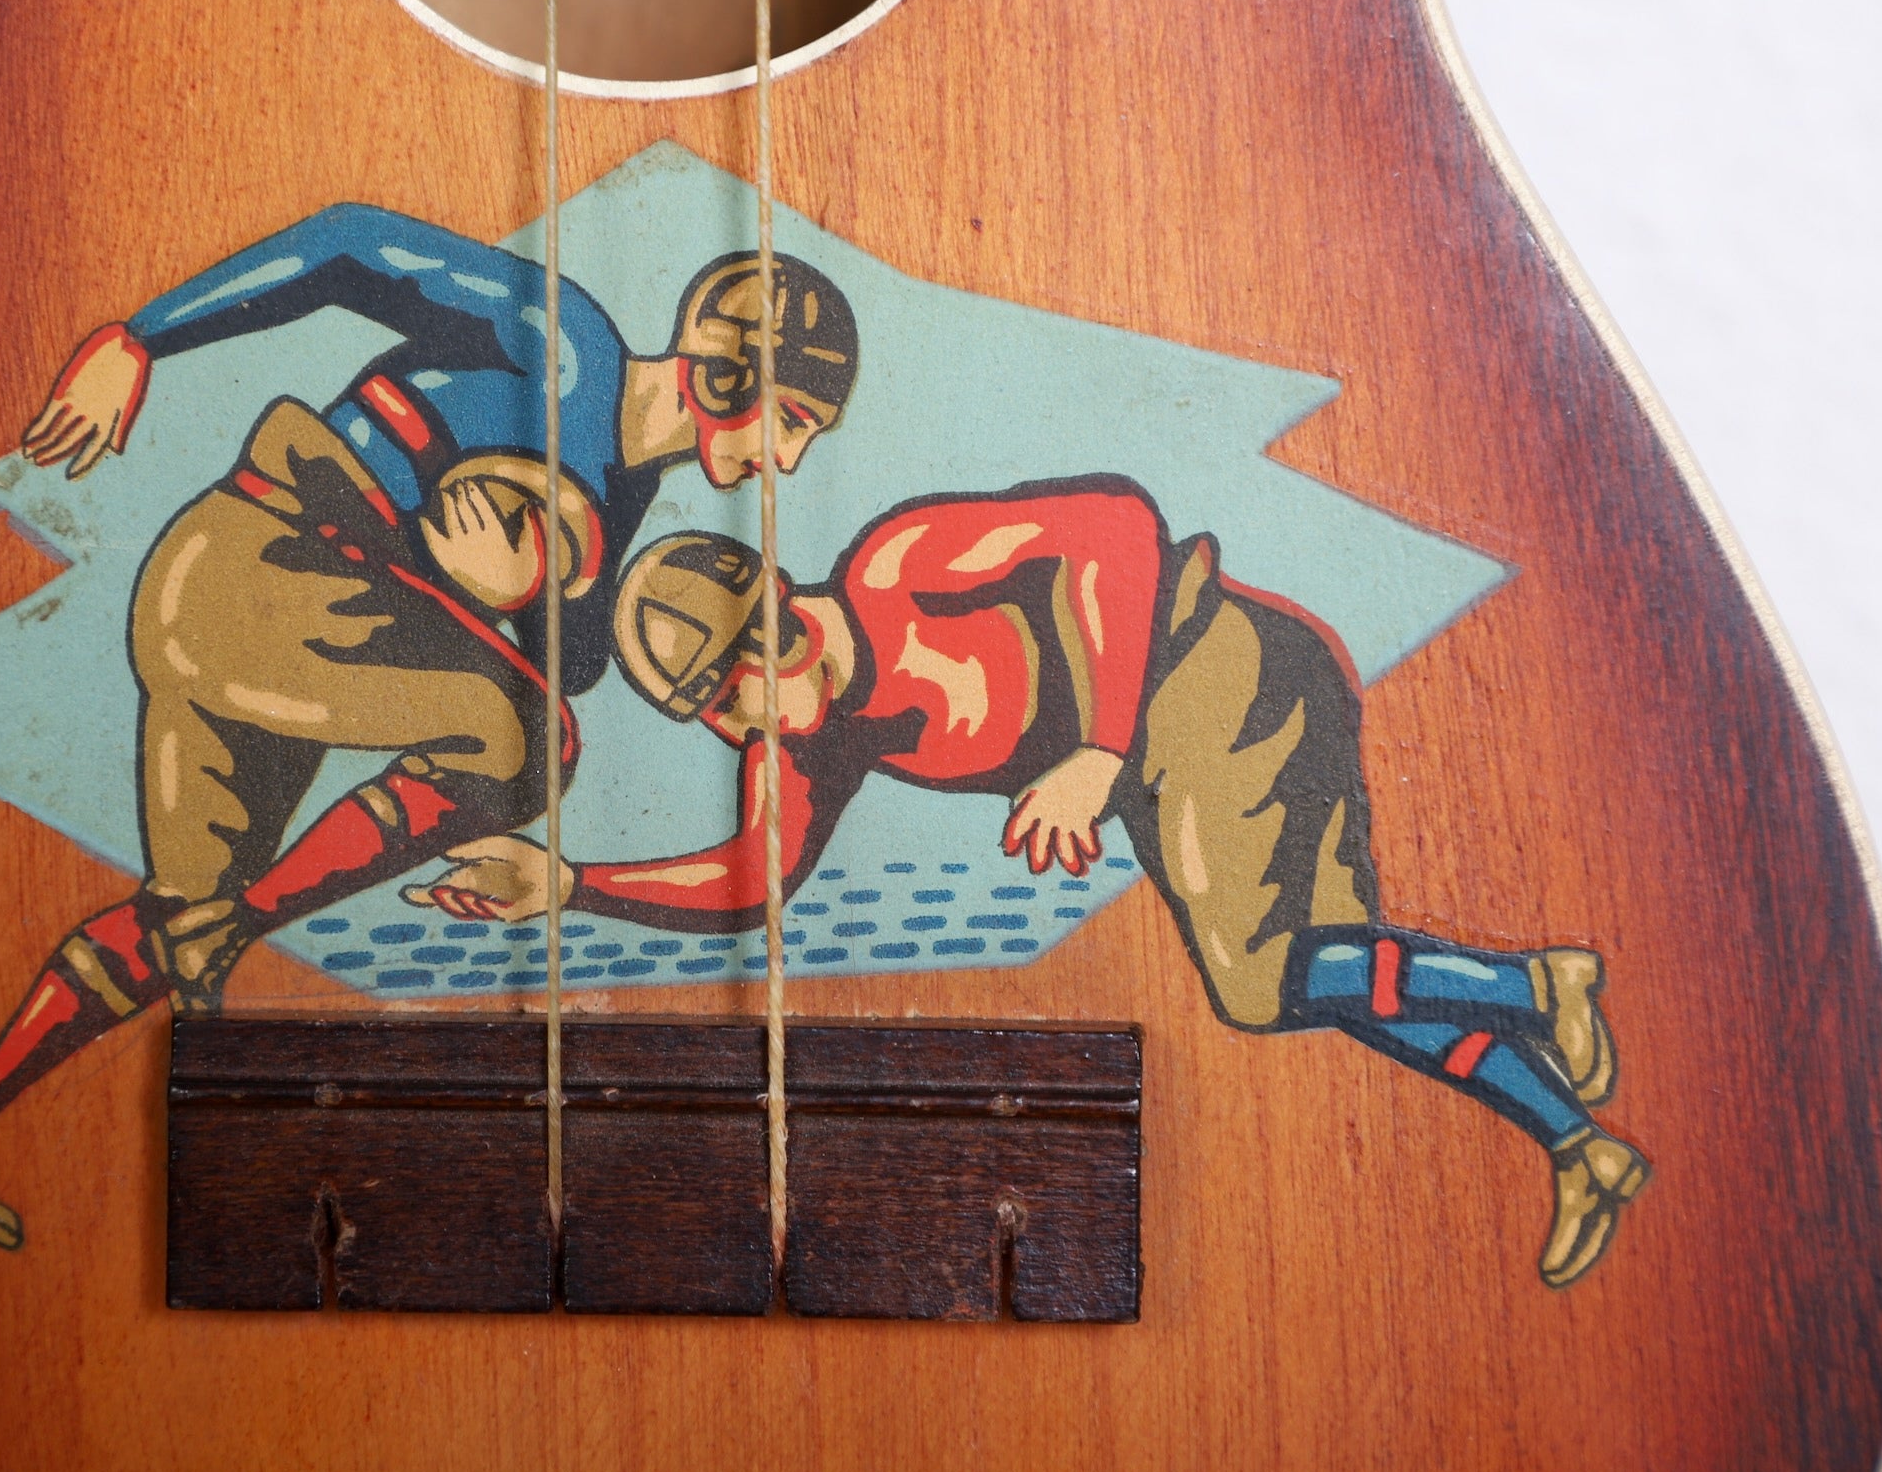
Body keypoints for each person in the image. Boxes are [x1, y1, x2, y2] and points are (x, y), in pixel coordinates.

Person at [0, 203, 860, 1249]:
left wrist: (521, 582)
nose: (786, 459)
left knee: (182, 921)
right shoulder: (569, 342)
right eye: (792, 419)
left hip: (304, 625)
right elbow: (349, 246)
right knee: (531, 744)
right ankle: (245, 915)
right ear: (725, 375)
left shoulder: (627, 486)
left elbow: (573, 660)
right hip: (263, 572)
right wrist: (141, 337)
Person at [412, 475, 1649, 1288]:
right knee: (1336, 972)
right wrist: (567, 880)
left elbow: (1114, 528)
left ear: (777, 622)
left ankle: (1531, 984)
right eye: (714, 715)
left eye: (734, 691)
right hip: (1165, 760)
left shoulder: (898, 565)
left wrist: (1097, 749)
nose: (741, 728)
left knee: (1264, 978)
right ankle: (1577, 1140)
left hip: (1213, 667)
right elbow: (748, 879)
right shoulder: (812, 741)